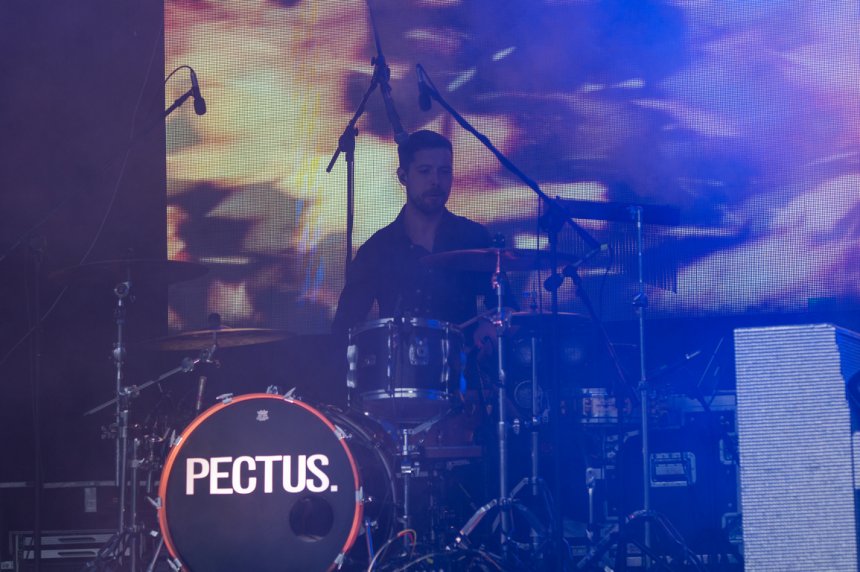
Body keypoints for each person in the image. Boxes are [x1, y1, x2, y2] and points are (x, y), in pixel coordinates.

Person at [332, 129, 497, 339]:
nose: (436, 181)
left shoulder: (473, 237)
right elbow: (344, 328)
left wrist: (491, 325)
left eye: (444, 171)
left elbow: (507, 307)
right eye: (424, 171)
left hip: (464, 359)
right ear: (403, 176)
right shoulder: (377, 249)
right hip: (398, 359)